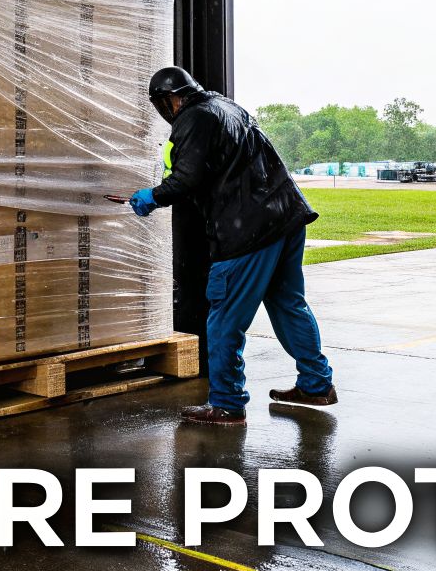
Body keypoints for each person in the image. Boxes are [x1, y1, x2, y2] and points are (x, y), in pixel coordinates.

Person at [129, 66, 337, 425]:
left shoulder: (194, 118)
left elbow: (187, 178)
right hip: (285, 217)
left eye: (163, 104)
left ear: (170, 99)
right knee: (289, 304)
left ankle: (226, 403)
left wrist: (154, 195)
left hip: (248, 230)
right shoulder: (227, 107)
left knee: (224, 316)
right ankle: (317, 385)